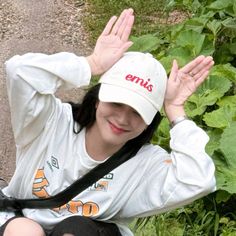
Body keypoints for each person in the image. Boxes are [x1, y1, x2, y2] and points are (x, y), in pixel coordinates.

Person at [0, 8, 216, 236]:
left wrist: (175, 110)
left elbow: (199, 179)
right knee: (25, 231)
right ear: (97, 99)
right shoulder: (51, 123)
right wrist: (91, 64)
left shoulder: (145, 165)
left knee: (77, 229)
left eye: (137, 112)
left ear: (149, 120)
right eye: (116, 103)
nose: (122, 119)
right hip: (23, 220)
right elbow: (20, 72)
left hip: (89, 232)